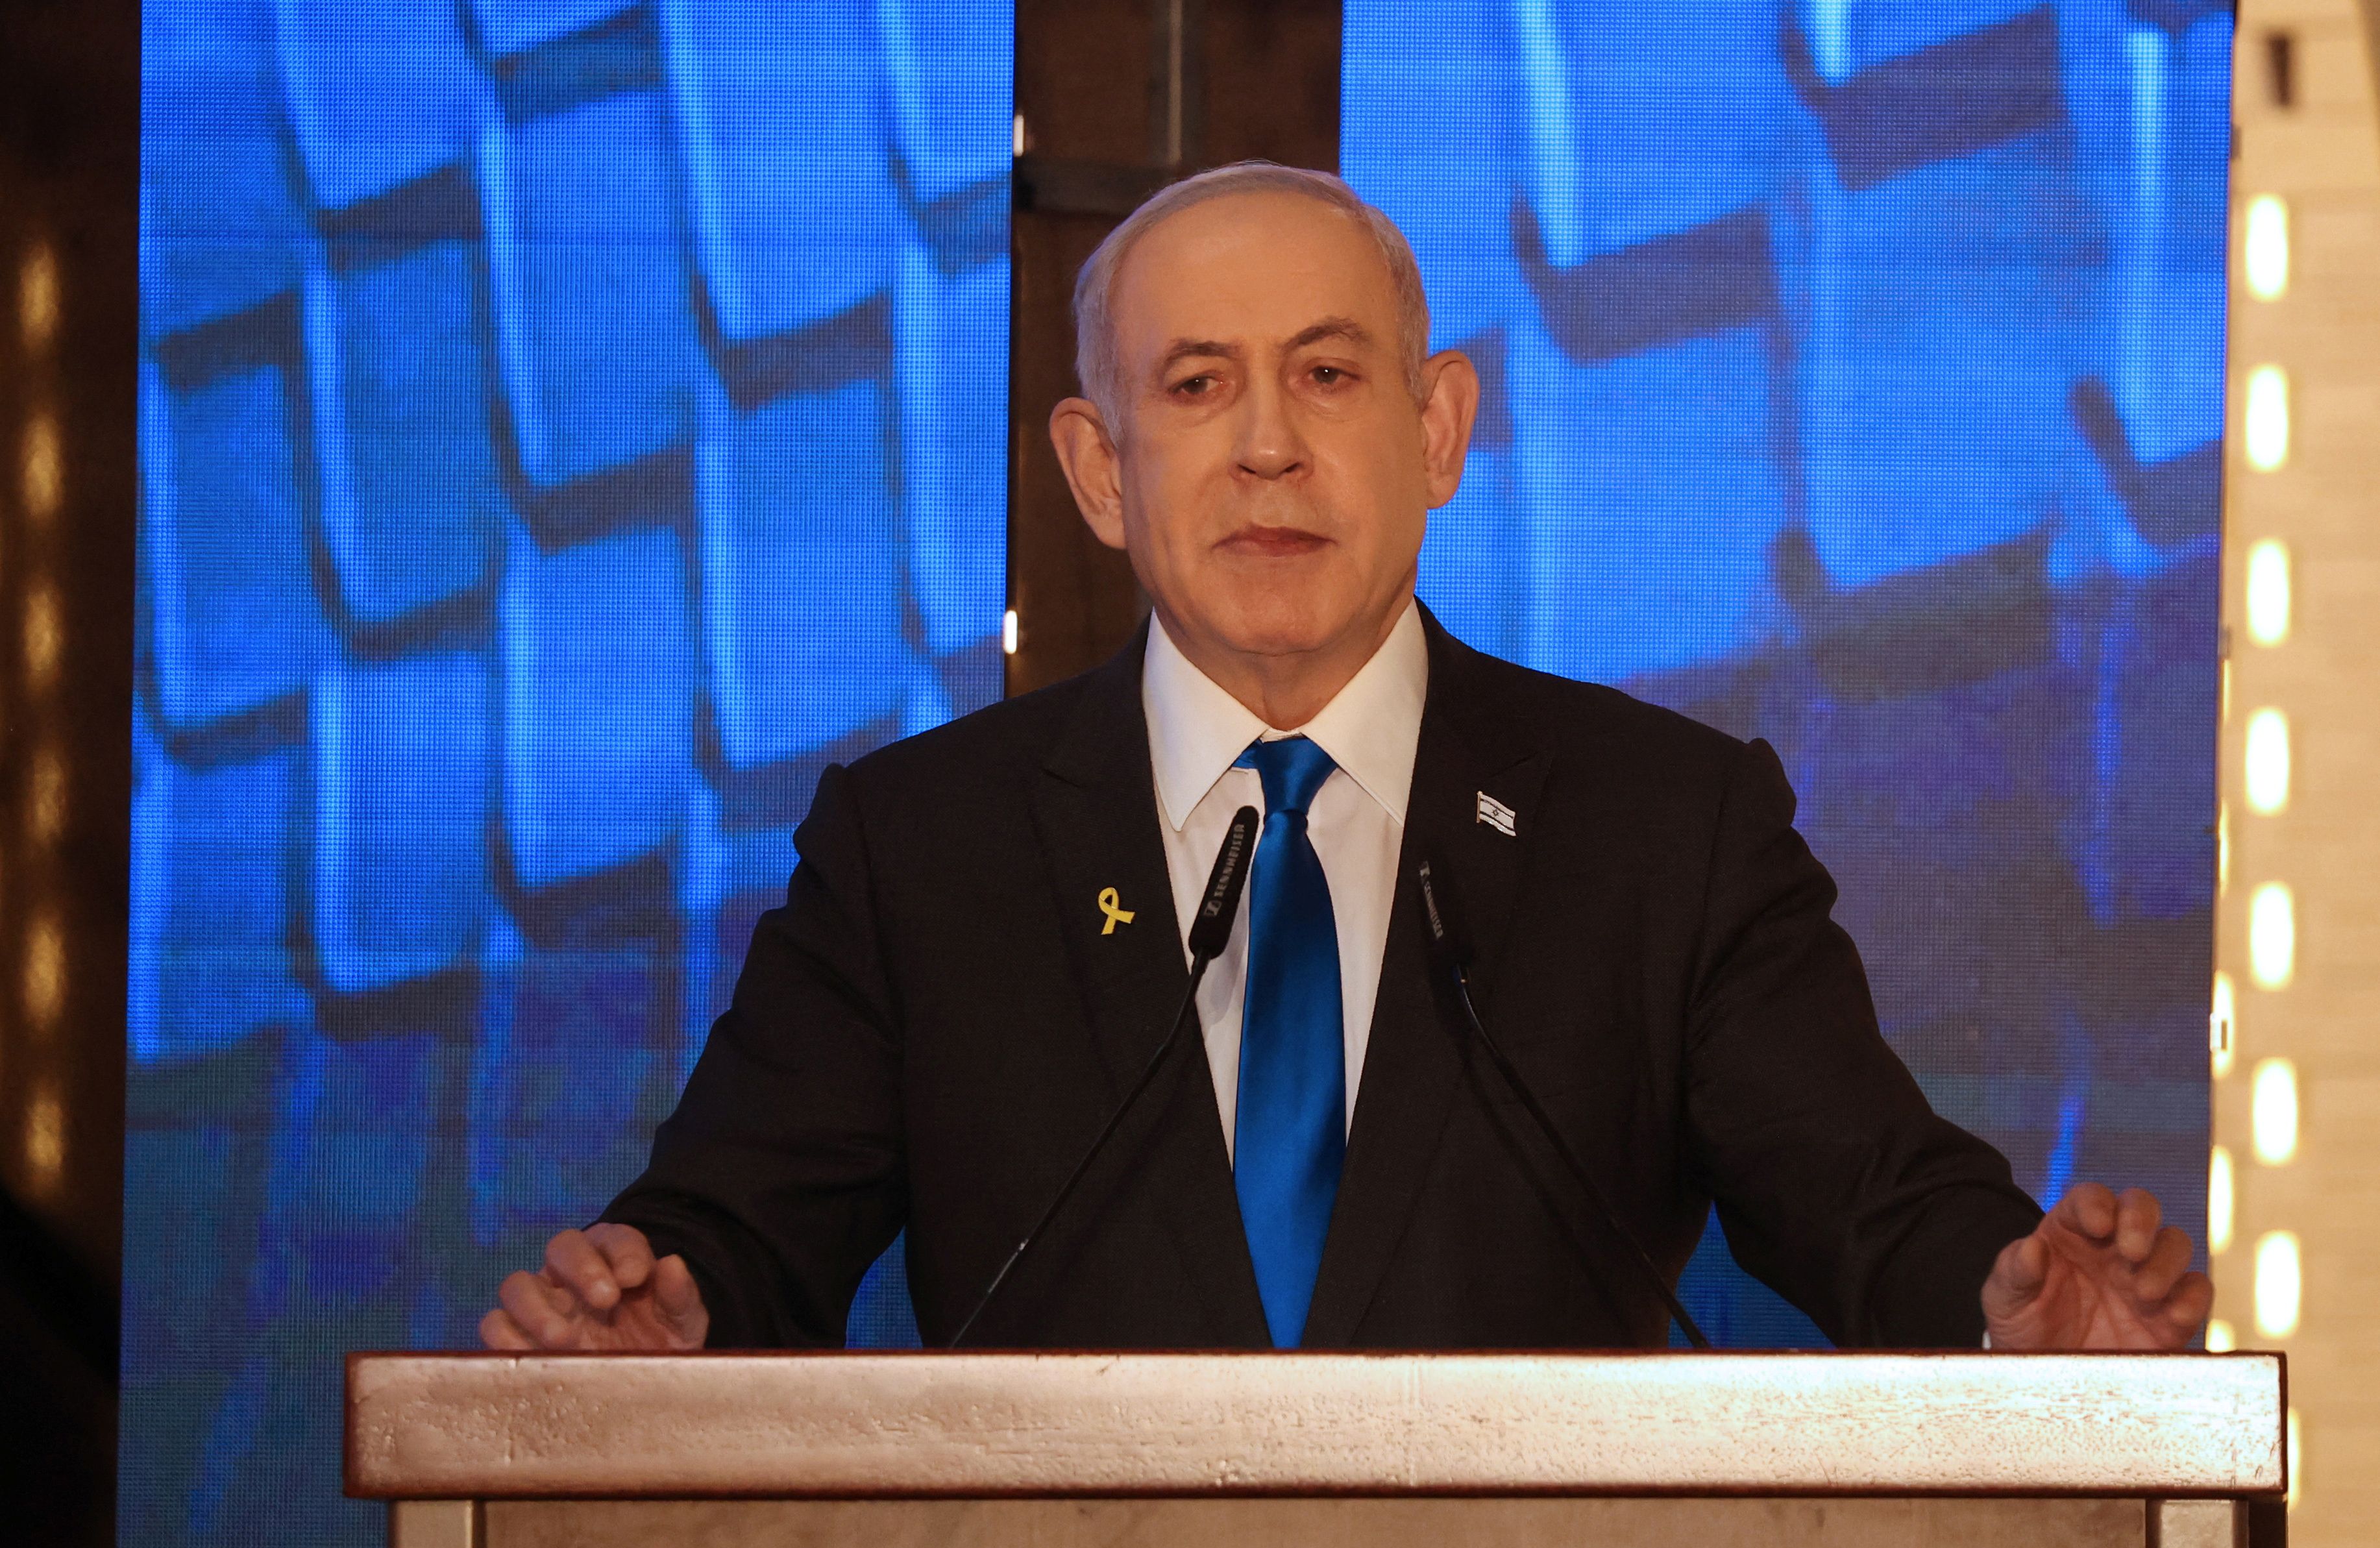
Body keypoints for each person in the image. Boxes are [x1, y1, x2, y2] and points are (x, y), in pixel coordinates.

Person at [480, 164, 2213, 1357]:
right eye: (1192, 387)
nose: (1262, 449)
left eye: (1324, 374)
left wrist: (2003, 1292)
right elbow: (739, 1230)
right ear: (1096, 472)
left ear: (1435, 428)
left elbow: (1865, 1196)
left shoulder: (1654, 826)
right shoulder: (920, 849)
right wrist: (665, 1301)